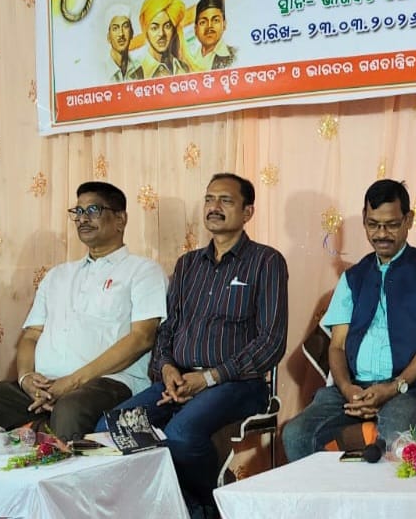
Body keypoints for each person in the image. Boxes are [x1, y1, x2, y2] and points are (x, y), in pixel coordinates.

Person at [104, 173, 286, 518]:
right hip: (179, 381)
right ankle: (171, 505)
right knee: (113, 428)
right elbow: (167, 330)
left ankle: (208, 507)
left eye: (226, 200)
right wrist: (167, 370)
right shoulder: (187, 265)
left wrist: (209, 378)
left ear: (247, 212)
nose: (214, 207)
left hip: (239, 384)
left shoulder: (266, 262)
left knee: (182, 434)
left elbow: (271, 342)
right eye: (209, 199)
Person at [0, 182, 165, 441]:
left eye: (93, 210)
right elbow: (31, 335)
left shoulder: (143, 271)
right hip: (45, 384)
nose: (83, 218)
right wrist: (26, 378)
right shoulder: (58, 275)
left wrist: (71, 382)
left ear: (120, 219)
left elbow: (141, 338)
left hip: (110, 381)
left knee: (70, 409)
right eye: (78, 211)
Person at [284, 179, 416, 461]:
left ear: (409, 220)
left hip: (413, 388)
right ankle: (322, 492)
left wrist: (393, 387)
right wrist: (348, 389)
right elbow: (337, 346)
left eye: (391, 225)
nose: (381, 234)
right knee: (296, 434)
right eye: (373, 224)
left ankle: (386, 494)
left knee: (393, 432)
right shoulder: (353, 278)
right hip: (355, 387)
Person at [135, 0, 190, 78]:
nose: (161, 34)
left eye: (167, 26)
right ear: (146, 31)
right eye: (154, 28)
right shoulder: (136, 76)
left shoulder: (184, 67)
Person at [185, 0, 237, 71]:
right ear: (195, 29)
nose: (209, 26)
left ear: (224, 24)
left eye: (216, 20)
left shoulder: (234, 57)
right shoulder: (187, 61)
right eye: (203, 22)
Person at [105, 5, 142, 82]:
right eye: (115, 28)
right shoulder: (101, 71)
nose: (121, 34)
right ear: (108, 37)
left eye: (125, 26)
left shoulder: (139, 69)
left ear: (132, 33)